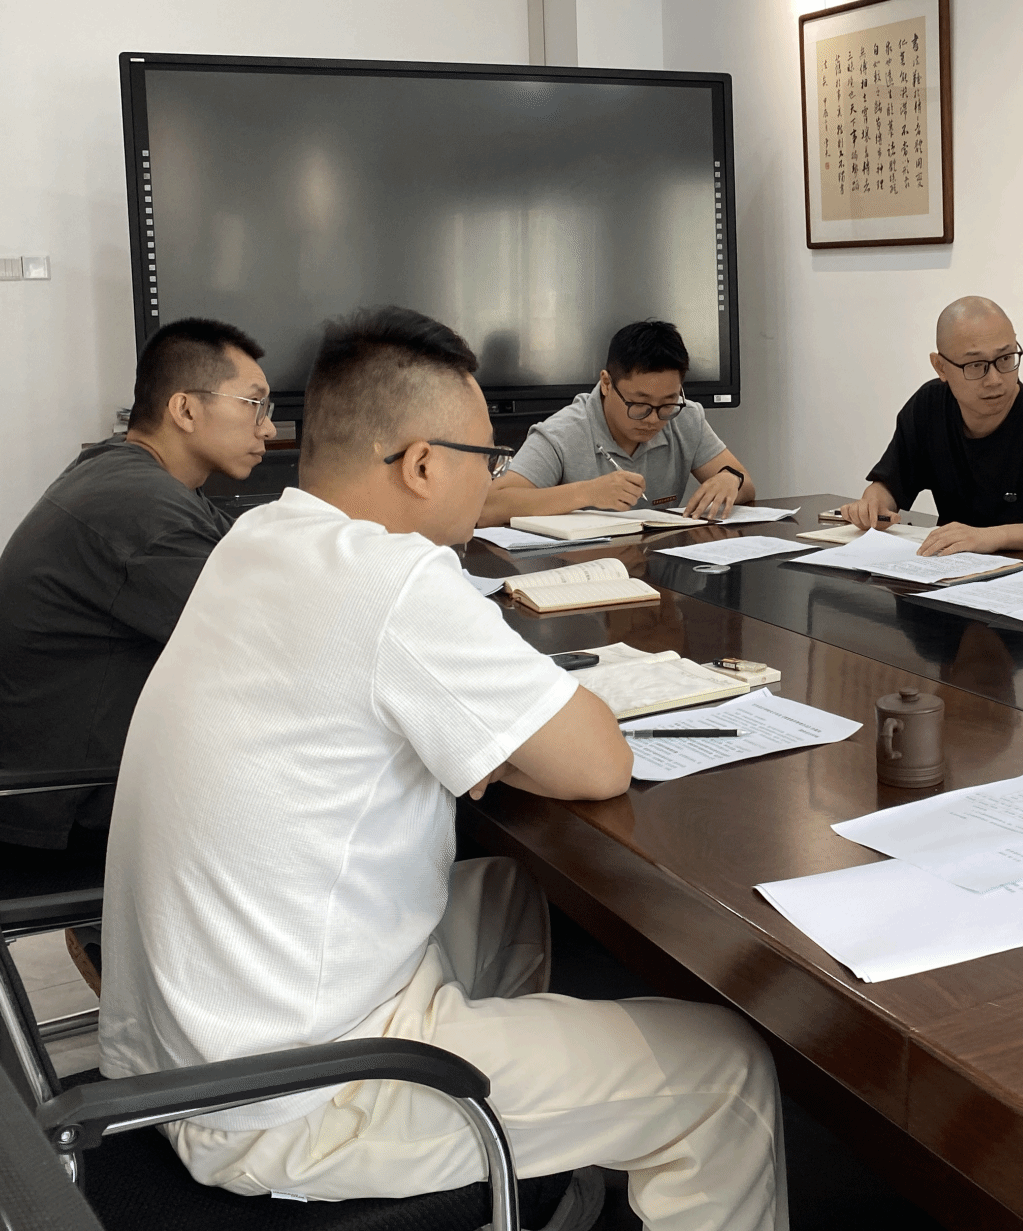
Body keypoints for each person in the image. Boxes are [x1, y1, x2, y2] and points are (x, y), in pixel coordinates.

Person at [100, 306, 785, 1229]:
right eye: (486, 458)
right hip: (292, 1098)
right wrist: (500, 745)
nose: (493, 478)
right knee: (727, 1072)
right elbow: (598, 763)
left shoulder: (256, 538)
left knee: (506, 890)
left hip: (181, 1053)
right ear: (423, 464)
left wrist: (485, 744)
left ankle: (519, 1169)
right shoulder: (396, 579)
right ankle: (497, 1135)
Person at [0, 316, 274, 858]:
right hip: (70, 822)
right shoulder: (142, 511)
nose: (268, 428)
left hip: (51, 796)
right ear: (185, 409)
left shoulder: (126, 472)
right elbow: (268, 643)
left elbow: (248, 556)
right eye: (255, 405)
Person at [839, 297, 1023, 556]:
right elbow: (889, 485)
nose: (994, 379)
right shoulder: (928, 407)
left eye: (1005, 359)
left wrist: (993, 537)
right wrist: (872, 505)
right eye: (976, 365)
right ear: (940, 367)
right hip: (953, 571)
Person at [484, 320, 756, 524]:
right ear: (606, 383)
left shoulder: (685, 417)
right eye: (640, 404)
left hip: (658, 563)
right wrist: (587, 493)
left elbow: (746, 486)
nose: (653, 418)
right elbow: (489, 507)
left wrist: (729, 479)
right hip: (583, 571)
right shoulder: (561, 433)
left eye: (667, 403)